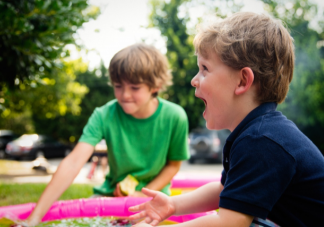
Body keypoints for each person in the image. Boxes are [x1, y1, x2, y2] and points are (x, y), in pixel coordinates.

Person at [128, 12, 324, 227]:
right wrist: (173, 205)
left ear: (242, 81)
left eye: (205, 69)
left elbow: (230, 222)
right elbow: (225, 190)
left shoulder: (263, 140)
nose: (194, 80)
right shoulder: (256, 133)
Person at [25, 43, 190, 226]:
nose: (125, 95)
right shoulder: (104, 114)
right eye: (118, 86)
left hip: (155, 198)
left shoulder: (175, 116)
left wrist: (142, 194)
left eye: (134, 88)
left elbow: (173, 165)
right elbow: (73, 162)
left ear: (155, 86)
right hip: (110, 196)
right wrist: (34, 217)